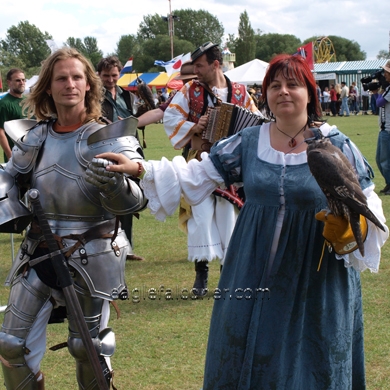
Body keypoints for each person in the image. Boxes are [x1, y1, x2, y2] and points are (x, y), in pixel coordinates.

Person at [95, 53, 388, 389]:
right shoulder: (249, 141)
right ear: (266, 95)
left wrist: (358, 230)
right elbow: (197, 175)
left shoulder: (336, 145)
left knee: (311, 356)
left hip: (316, 269)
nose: (284, 92)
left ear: (309, 91)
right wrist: (141, 169)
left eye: (293, 84)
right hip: (253, 264)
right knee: (251, 347)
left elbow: (368, 200)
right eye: (275, 86)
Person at [0, 47, 147, 389]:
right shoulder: (34, 137)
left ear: (88, 85)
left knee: (87, 348)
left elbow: (137, 201)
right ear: (48, 87)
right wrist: (11, 205)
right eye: (61, 78)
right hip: (39, 251)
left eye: (77, 77)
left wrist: (113, 184)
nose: (70, 84)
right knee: (9, 344)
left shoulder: (108, 136)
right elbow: (9, 177)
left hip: (92, 253)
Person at [163, 42, 261, 296]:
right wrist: (196, 125)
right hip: (200, 162)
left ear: (215, 64)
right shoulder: (190, 91)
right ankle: (201, 274)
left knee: (228, 219)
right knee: (201, 217)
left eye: (200, 65)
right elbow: (171, 117)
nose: (195, 70)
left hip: (230, 169)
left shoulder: (239, 92)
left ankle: (227, 275)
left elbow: (257, 121)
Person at [97, 55, 145, 261]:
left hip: (130, 149)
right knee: (107, 200)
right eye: (106, 75)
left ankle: (127, 248)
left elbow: (137, 120)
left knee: (128, 197)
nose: (110, 79)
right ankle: (109, 247)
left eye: (114, 75)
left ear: (119, 74)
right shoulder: (93, 97)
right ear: (99, 75)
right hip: (106, 149)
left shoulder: (126, 95)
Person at [0, 68, 26, 162]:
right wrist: (10, 155)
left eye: (23, 80)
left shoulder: (29, 101)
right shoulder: (4, 103)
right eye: (18, 80)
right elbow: (0, 132)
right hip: (16, 156)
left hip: (34, 154)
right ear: (9, 82)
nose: (22, 82)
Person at [374, 60, 390, 194]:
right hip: (383, 128)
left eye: (386, 72)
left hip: (388, 130)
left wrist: (378, 92)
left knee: (384, 160)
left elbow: (379, 103)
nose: (384, 75)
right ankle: (388, 183)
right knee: (379, 160)